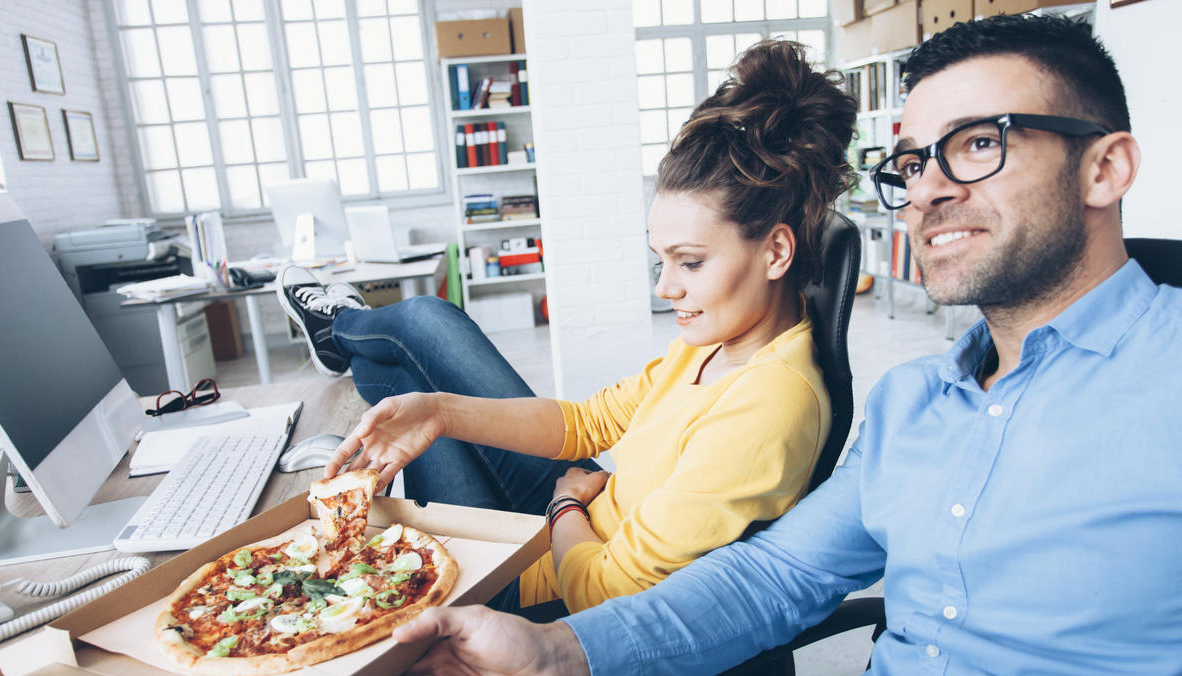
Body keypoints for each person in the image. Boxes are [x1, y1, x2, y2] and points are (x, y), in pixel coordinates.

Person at [376, 14, 1182, 676]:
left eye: (978, 144)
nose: (927, 188)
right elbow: (773, 578)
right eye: (913, 160)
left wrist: (565, 526)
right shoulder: (915, 403)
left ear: (1105, 168)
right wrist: (560, 659)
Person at [277, 40, 858, 615]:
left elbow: (603, 594)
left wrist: (564, 507)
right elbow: (590, 421)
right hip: (580, 515)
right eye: (662, 261)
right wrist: (441, 412)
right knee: (417, 363)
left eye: (692, 262)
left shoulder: (768, 407)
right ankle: (346, 333)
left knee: (407, 351)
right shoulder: (717, 344)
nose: (665, 288)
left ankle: (340, 328)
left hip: (529, 589)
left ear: (776, 252)